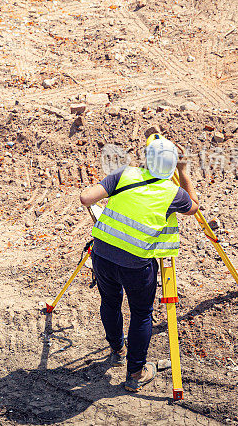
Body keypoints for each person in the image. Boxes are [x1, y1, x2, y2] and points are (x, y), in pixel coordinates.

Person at [78, 134, 199, 392]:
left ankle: (116, 348)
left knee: (110, 302)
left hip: (102, 254)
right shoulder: (173, 193)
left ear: (146, 159)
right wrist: (184, 172)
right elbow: (193, 208)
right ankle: (135, 374)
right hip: (136, 265)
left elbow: (87, 198)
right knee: (141, 314)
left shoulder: (124, 174)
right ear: (172, 165)